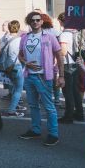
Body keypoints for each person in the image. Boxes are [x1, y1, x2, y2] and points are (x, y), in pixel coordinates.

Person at [18, 12, 64, 146]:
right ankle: (35, 129)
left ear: (42, 22)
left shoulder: (50, 37)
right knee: (33, 105)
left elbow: (59, 55)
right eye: (32, 20)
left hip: (43, 77)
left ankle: (53, 134)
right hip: (29, 76)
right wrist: (25, 62)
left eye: (38, 20)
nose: (35, 22)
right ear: (29, 22)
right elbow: (20, 55)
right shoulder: (24, 37)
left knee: (49, 107)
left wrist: (61, 76)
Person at [57, 12, 83, 123]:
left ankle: (68, 116)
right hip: (76, 63)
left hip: (67, 65)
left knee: (68, 92)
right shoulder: (76, 32)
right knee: (75, 91)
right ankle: (79, 113)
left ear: (62, 21)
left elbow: (63, 51)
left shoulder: (64, 34)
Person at [1, 21, 25, 117]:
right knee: (19, 89)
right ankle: (12, 110)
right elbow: (22, 55)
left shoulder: (4, 38)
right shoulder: (20, 40)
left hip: (6, 67)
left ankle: (15, 105)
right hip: (17, 66)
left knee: (14, 87)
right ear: (18, 28)